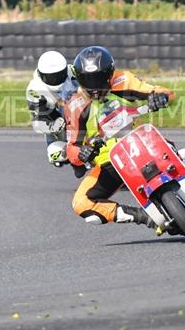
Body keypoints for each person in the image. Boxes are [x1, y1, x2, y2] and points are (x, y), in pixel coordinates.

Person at [63, 45, 175, 227]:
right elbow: (71, 149)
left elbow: (167, 93)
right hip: (110, 160)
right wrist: (82, 153)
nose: (94, 87)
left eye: (99, 79)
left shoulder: (123, 80)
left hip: (142, 141)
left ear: (110, 73)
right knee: (80, 203)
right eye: (88, 80)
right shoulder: (74, 106)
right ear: (79, 78)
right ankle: (141, 216)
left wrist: (160, 97)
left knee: (174, 149)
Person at [25, 50, 86, 178]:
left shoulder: (73, 71)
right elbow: (38, 119)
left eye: (59, 75)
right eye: (51, 77)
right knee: (56, 154)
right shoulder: (34, 90)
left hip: (82, 107)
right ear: (42, 75)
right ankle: (75, 160)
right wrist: (54, 126)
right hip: (56, 117)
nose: (55, 80)